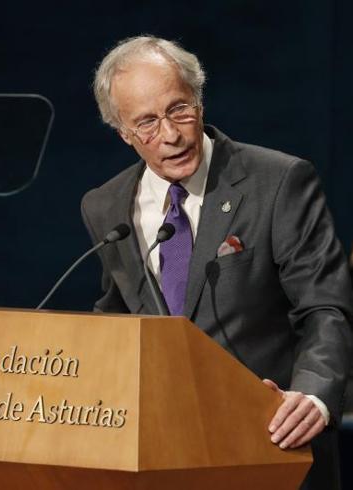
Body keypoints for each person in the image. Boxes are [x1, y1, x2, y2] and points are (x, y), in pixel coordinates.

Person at [81, 36, 353, 490]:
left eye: (179, 109)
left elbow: (325, 305)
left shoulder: (279, 181)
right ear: (123, 132)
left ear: (200, 102)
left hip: (271, 440)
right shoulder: (105, 206)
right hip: (162, 453)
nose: (170, 135)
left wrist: (313, 394)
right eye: (146, 123)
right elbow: (120, 317)